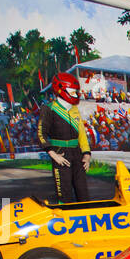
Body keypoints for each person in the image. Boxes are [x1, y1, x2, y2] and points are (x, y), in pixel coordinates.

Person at [38, 73, 90, 204]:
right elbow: (41, 134)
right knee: (64, 194)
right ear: (60, 90)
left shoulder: (74, 109)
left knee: (83, 193)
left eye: (76, 92)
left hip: (77, 154)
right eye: (72, 92)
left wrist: (87, 154)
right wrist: (54, 155)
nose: (76, 95)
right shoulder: (49, 109)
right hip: (60, 154)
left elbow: (82, 134)